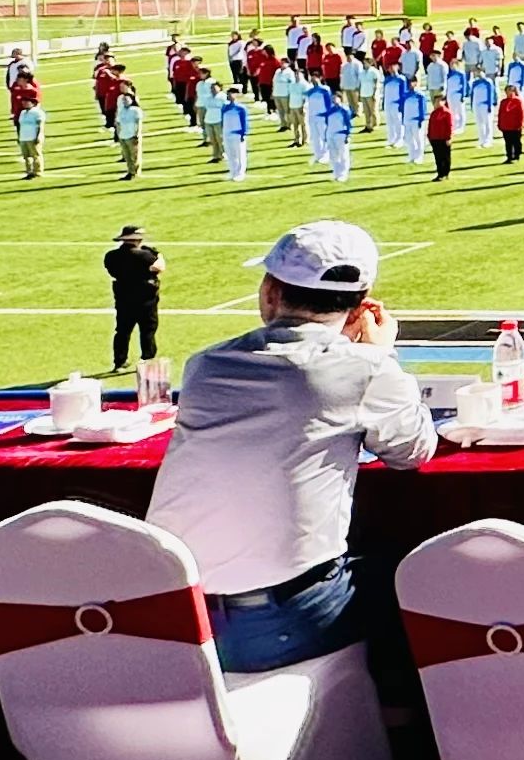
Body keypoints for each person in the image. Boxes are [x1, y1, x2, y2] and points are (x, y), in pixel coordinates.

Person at [140, 222, 435, 674]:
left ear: (271, 291)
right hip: (279, 615)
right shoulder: (363, 368)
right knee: (417, 580)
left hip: (174, 612)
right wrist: (381, 355)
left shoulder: (205, 366)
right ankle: (401, 733)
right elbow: (412, 452)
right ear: (362, 302)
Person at [104, 225, 165, 373]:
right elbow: (159, 267)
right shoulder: (144, 256)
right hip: (145, 299)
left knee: (122, 331)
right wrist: (158, 254)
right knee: (148, 330)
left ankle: (120, 361)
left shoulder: (111, 256)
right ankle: (147, 359)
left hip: (123, 298)